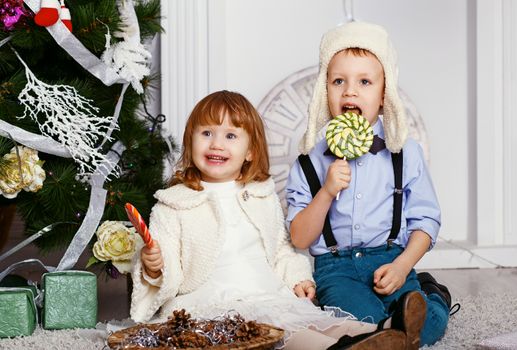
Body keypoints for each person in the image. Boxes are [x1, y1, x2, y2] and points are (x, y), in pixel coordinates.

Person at [130, 90, 426, 350]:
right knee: (287, 335)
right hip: (212, 301)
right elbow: (166, 258)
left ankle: (383, 333)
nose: (216, 144)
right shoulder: (174, 203)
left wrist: (297, 278)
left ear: (249, 152)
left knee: (317, 321)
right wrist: (156, 266)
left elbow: (280, 250)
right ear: (190, 141)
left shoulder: (260, 195)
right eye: (206, 133)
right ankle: (341, 348)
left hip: (266, 292)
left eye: (230, 136)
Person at [285, 21, 451, 347]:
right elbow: (299, 237)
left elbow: (426, 222)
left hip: (391, 258)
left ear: (383, 94)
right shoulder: (308, 161)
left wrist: (403, 267)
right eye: (338, 81)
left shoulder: (405, 153)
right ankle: (391, 328)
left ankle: (432, 296)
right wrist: (327, 192)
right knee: (363, 326)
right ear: (324, 91)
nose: (350, 91)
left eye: (364, 81)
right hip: (336, 269)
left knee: (429, 324)